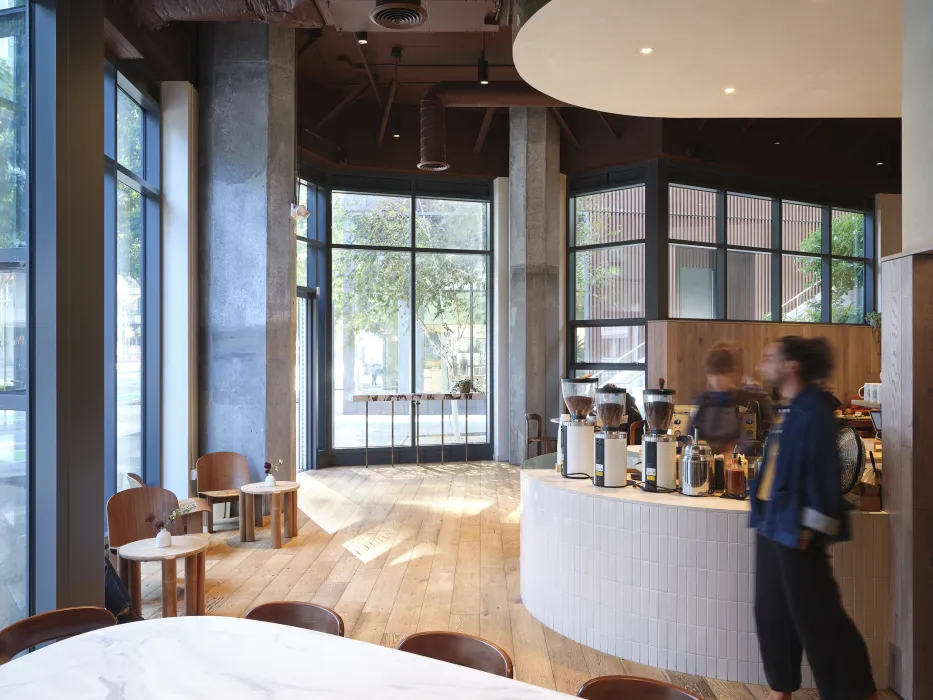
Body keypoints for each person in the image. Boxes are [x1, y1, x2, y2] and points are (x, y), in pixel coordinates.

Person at [751, 337, 877, 700]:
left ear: (791, 366)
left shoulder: (816, 413)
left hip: (797, 532)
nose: (763, 364)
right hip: (772, 526)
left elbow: (825, 478)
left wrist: (810, 529)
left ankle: (858, 693)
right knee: (772, 614)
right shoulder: (790, 410)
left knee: (820, 620)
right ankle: (782, 689)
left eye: (770, 357)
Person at [688, 342, 772, 454]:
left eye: (722, 374)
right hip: (705, 458)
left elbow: (750, 439)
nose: (717, 380)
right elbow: (691, 434)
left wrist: (733, 452)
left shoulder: (748, 401)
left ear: (734, 373)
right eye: (712, 374)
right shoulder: (702, 400)